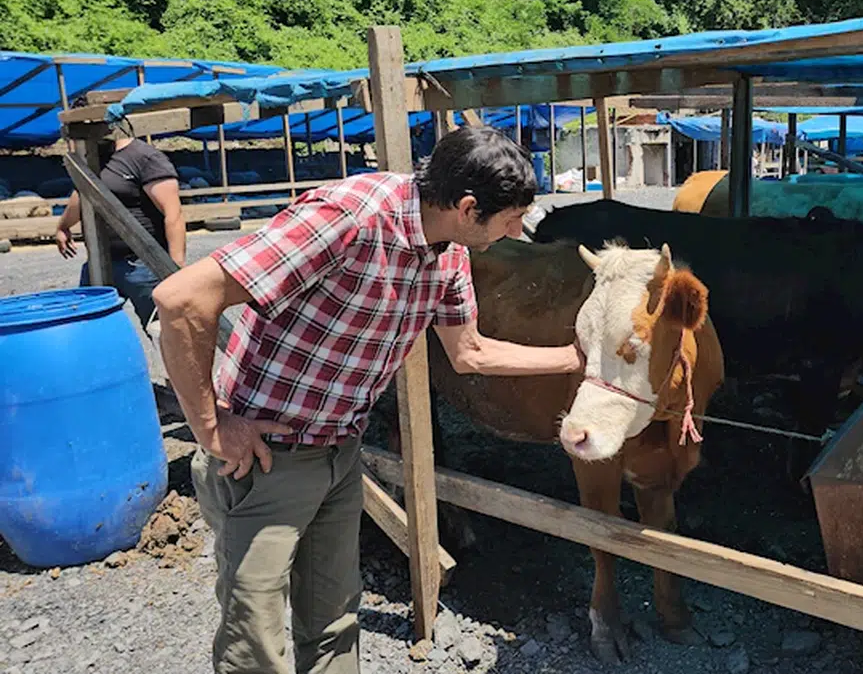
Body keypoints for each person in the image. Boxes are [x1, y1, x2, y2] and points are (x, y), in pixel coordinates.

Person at [151, 126, 584, 674]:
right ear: (469, 208)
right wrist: (212, 427)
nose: (518, 232)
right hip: (263, 455)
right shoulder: (347, 218)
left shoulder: (447, 252)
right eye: (510, 219)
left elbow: (469, 351)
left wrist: (574, 359)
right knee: (254, 638)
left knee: (333, 621)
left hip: (339, 450)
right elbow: (182, 298)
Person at [55, 136, 185, 329]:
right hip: (98, 262)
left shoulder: (144, 157)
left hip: (143, 264)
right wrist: (63, 225)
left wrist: (176, 269)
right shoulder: (93, 157)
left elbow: (173, 215)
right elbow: (83, 192)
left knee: (164, 330)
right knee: (89, 328)